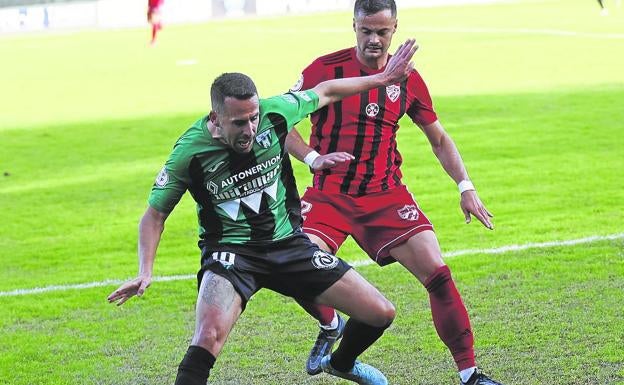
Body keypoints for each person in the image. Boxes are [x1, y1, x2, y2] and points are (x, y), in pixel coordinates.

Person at [107, 38, 418, 385]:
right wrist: (144, 270)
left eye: (253, 119)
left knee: (380, 312)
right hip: (232, 255)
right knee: (208, 337)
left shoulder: (274, 112)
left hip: (290, 245)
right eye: (238, 123)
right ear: (215, 118)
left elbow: (326, 91)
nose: (250, 130)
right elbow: (155, 215)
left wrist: (382, 79)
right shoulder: (189, 152)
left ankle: (341, 363)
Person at [285, 1, 504, 384]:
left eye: (382, 32)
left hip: (386, 196)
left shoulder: (409, 80)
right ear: (353, 25)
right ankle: (331, 322)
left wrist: (465, 186)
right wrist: (312, 157)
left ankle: (469, 374)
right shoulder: (324, 70)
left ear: (395, 29)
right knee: (294, 263)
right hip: (328, 196)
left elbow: (438, 139)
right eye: (365, 30)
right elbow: (279, 122)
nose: (373, 39)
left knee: (437, 272)